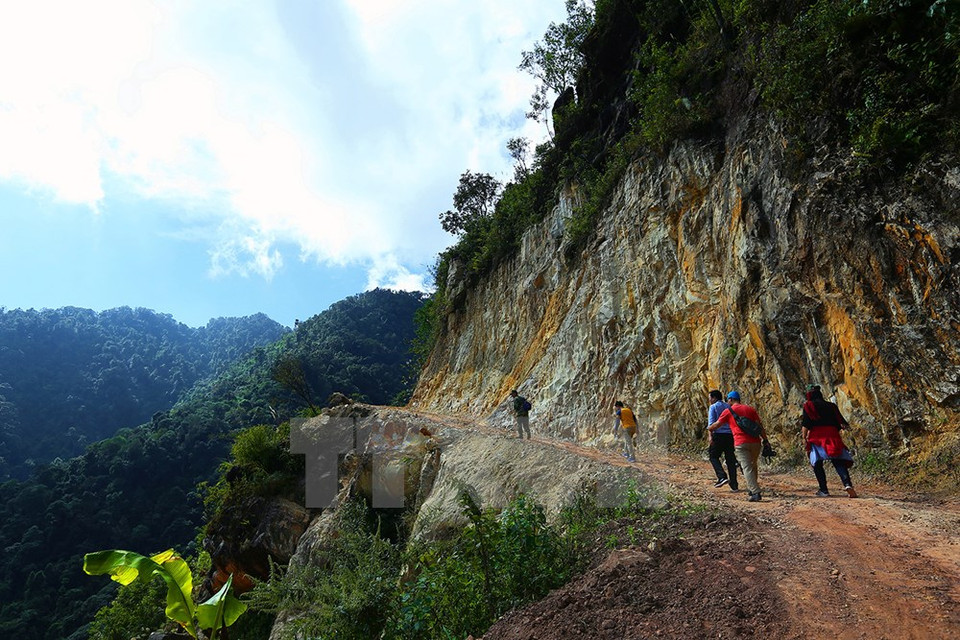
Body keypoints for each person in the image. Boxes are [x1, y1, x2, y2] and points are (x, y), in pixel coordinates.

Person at [708, 391, 768, 502]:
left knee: (747, 467)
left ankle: (755, 492)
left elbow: (717, 425)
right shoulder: (750, 409)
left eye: (728, 400)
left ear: (730, 399)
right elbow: (760, 426)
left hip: (741, 443)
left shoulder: (728, 411)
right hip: (756, 442)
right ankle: (752, 488)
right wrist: (765, 440)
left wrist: (710, 429)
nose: (727, 402)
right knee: (753, 465)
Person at [801, 385, 857, 498]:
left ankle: (824, 490)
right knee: (838, 461)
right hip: (832, 435)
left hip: (817, 437)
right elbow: (839, 423)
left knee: (817, 463)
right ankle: (847, 484)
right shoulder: (831, 406)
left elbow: (806, 424)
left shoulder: (809, 406)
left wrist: (804, 438)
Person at [706, 390, 737, 490]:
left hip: (718, 435)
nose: (709, 400)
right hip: (729, 435)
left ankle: (722, 476)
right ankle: (734, 484)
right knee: (730, 460)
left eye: (710, 398)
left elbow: (711, 424)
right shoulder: (728, 406)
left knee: (713, 456)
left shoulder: (713, 407)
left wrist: (710, 436)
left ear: (714, 398)